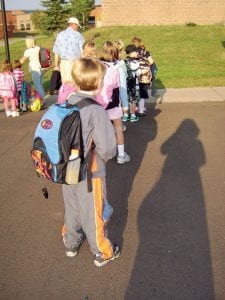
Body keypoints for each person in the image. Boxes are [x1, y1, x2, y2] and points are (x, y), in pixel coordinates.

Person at [62, 57, 120, 267]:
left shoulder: (66, 103)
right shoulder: (96, 110)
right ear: (98, 85)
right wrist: (105, 158)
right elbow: (107, 146)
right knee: (94, 210)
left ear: (76, 82)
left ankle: (71, 242)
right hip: (90, 169)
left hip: (66, 166)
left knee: (72, 206)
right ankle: (102, 251)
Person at [96, 41, 130, 165]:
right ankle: (121, 155)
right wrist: (125, 105)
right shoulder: (117, 67)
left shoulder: (96, 65)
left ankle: (101, 154)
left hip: (98, 103)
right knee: (118, 129)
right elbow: (122, 88)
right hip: (113, 104)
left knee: (99, 129)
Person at [53, 17, 85, 84]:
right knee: (74, 85)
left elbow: (56, 51)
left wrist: (56, 66)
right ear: (74, 25)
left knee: (65, 85)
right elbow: (83, 51)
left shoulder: (60, 34)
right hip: (74, 63)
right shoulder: (78, 35)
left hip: (63, 64)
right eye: (77, 26)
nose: (77, 28)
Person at [20, 36, 46, 107]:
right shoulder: (38, 48)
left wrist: (15, 64)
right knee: (40, 84)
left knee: (37, 85)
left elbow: (22, 61)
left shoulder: (28, 51)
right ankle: (43, 99)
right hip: (42, 68)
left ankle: (42, 101)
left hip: (35, 69)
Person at [124, 44, 141, 122]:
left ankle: (125, 115)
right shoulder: (135, 62)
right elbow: (138, 73)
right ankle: (133, 115)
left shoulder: (124, 61)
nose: (137, 53)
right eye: (136, 52)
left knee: (125, 98)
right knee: (133, 99)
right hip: (132, 83)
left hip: (124, 83)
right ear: (133, 52)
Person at [114, 40, 129, 123]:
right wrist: (125, 105)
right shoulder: (121, 63)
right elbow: (123, 83)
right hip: (119, 88)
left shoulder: (108, 63)